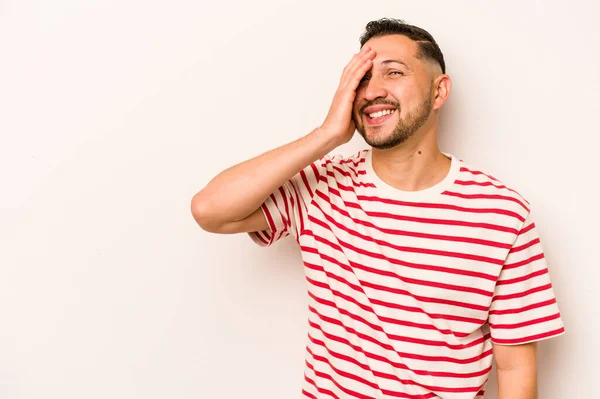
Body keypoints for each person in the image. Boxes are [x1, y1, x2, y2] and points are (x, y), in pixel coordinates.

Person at [191, 18, 564, 399]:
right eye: (363, 78)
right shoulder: (320, 187)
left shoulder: (502, 214)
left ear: (440, 91)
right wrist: (327, 135)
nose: (373, 91)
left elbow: (515, 367)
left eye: (394, 72)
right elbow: (210, 210)